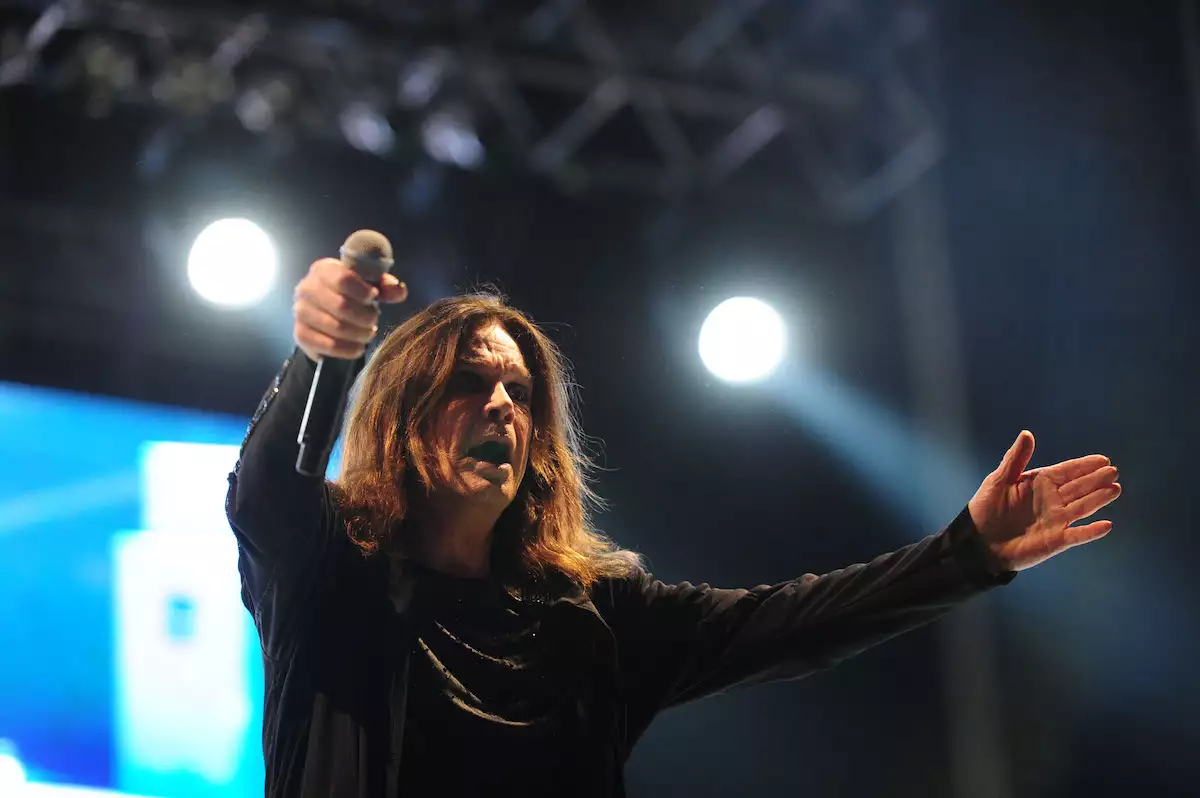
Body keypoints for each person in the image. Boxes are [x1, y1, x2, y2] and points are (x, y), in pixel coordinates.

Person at [225, 256, 1122, 797]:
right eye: (469, 382)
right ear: (404, 413)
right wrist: (320, 355)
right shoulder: (328, 571)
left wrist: (969, 553)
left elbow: (793, 623)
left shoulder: (591, 618)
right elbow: (265, 489)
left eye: (520, 392)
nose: (501, 405)